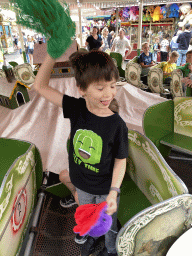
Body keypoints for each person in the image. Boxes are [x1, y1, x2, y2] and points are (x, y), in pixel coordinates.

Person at [33, 50, 128, 256]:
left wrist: (113, 192)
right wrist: (52, 53)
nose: (108, 94)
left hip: (105, 189)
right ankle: (93, 240)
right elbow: (39, 86)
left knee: (109, 225)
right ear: (81, 89)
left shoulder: (117, 125)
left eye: (112, 86)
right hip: (82, 185)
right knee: (90, 219)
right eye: (100, 88)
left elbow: (121, 161)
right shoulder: (76, 108)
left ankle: (111, 249)